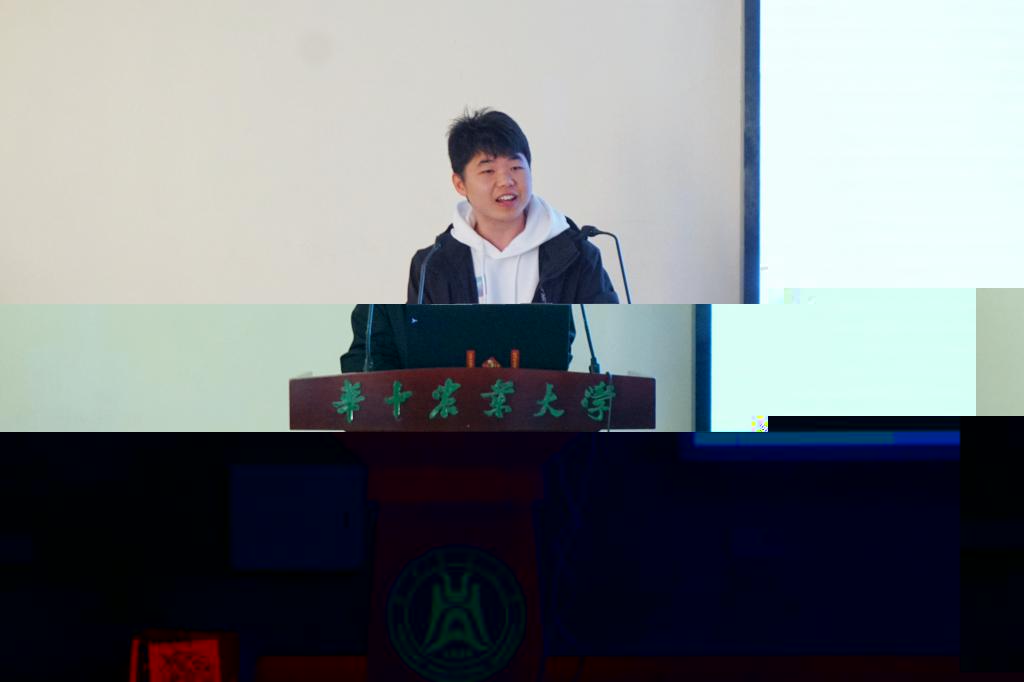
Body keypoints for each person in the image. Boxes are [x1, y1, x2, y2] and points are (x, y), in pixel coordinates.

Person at [408, 109, 619, 304]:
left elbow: (599, 330)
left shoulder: (578, 256)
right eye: (488, 171)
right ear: (460, 184)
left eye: (516, 167)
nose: (506, 181)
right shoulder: (432, 265)